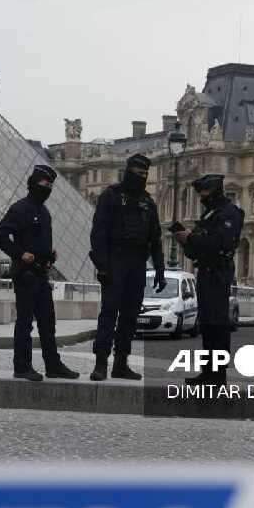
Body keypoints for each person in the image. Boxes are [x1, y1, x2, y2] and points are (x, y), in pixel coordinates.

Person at [0, 164, 80, 382]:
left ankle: (53, 365)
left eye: (51, 185)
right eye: (45, 184)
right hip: (25, 274)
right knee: (25, 323)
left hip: (41, 274)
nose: (48, 188)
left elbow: (39, 241)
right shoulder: (20, 208)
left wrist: (50, 256)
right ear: (33, 183)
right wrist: (20, 254)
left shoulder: (45, 212)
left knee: (48, 323)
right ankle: (22, 366)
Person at [89, 153, 165, 381]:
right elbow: (98, 233)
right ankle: (100, 363)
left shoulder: (147, 202)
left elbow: (155, 238)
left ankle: (121, 362)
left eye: (145, 174)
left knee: (130, 316)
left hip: (137, 264)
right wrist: (102, 265)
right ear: (128, 171)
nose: (142, 177)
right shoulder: (110, 196)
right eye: (138, 173)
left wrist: (160, 269)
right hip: (115, 261)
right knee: (109, 313)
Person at [174, 174, 244, 384]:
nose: (201, 196)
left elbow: (220, 242)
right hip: (206, 270)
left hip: (219, 272)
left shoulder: (230, 213)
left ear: (214, 190)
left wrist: (192, 238)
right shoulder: (210, 215)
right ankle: (208, 372)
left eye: (204, 192)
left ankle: (218, 375)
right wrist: (186, 242)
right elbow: (198, 247)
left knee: (217, 324)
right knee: (207, 324)